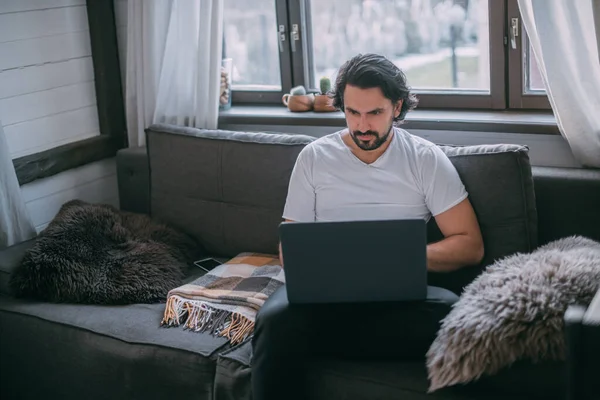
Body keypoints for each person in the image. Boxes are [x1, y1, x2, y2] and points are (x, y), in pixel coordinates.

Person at [251, 53, 484, 400]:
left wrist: (399, 258)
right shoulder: (314, 158)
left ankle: (336, 342)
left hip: (398, 302)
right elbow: (291, 246)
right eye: (352, 112)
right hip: (324, 300)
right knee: (273, 322)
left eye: (374, 113)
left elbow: (470, 245)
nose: (361, 126)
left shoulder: (425, 159)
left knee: (455, 315)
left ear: (397, 106)